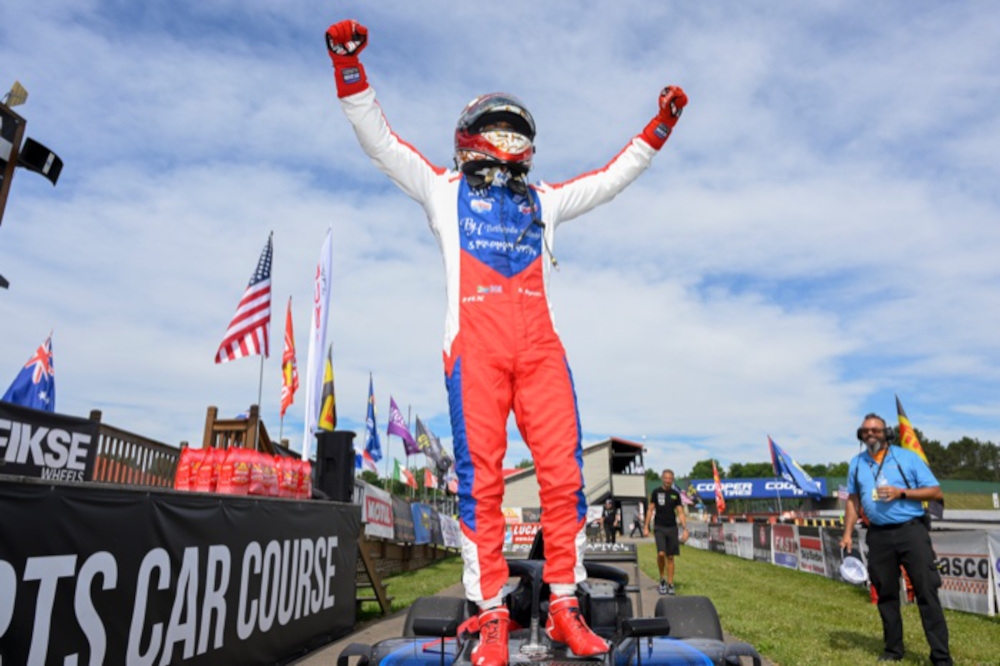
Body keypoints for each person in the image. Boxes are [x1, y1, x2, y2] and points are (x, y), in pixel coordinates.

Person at [325, 19, 687, 666]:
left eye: (516, 131)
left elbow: (609, 178)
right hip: (476, 353)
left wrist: (659, 127)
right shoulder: (442, 189)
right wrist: (348, 68)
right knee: (480, 483)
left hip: (542, 353)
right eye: (498, 127)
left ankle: (565, 607)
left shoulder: (544, 200)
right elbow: (381, 143)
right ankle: (491, 613)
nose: (508, 138)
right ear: (470, 135)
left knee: (565, 478)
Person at [840, 413, 951, 665]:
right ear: (860, 435)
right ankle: (893, 650)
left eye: (876, 430)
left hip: (911, 531)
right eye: (866, 431)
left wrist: (901, 493)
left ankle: (941, 656)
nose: (870, 434)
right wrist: (847, 533)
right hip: (878, 535)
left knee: (926, 591)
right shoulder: (856, 463)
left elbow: (935, 491)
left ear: (887, 433)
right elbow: (853, 500)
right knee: (886, 594)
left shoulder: (906, 458)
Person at [644, 469, 688, 595]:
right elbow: (650, 510)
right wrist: (646, 526)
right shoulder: (656, 492)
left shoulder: (675, 494)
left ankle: (670, 583)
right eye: (666, 478)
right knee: (661, 554)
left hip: (672, 528)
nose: (668, 480)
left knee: (670, 557)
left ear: (672, 480)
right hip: (659, 527)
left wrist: (685, 528)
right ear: (662, 478)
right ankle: (662, 579)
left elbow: (680, 512)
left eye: (670, 478)